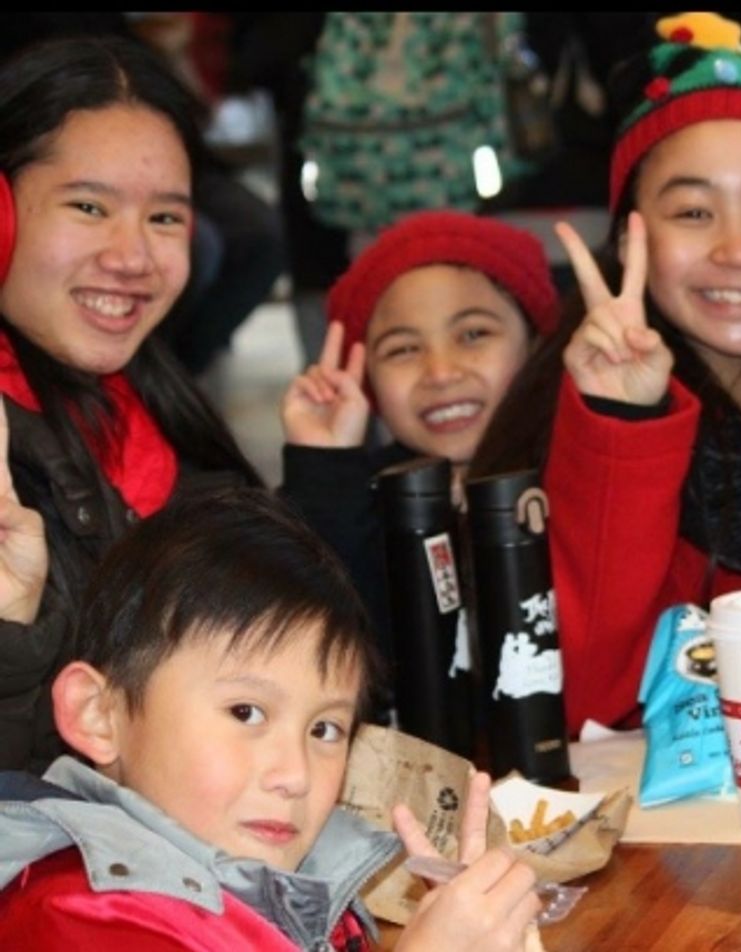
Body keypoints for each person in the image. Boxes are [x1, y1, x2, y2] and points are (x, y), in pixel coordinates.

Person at [471, 12, 741, 736]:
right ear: (629, 241)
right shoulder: (560, 418)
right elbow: (577, 708)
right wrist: (621, 426)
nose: (738, 248)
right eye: (693, 211)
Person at [0, 487, 541, 949]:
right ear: (99, 714)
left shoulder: (293, 883)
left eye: (325, 729)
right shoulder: (74, 916)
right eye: (246, 712)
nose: (295, 775)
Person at [0, 34, 263, 773]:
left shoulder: (168, 418)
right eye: (89, 206)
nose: (132, 258)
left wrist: (327, 470)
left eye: (165, 218)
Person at [280, 210, 559, 670]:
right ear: (367, 379)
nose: (441, 372)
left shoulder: (578, 475)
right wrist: (324, 466)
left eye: (473, 334)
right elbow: (334, 646)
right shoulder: (355, 501)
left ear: (535, 346)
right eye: (404, 349)